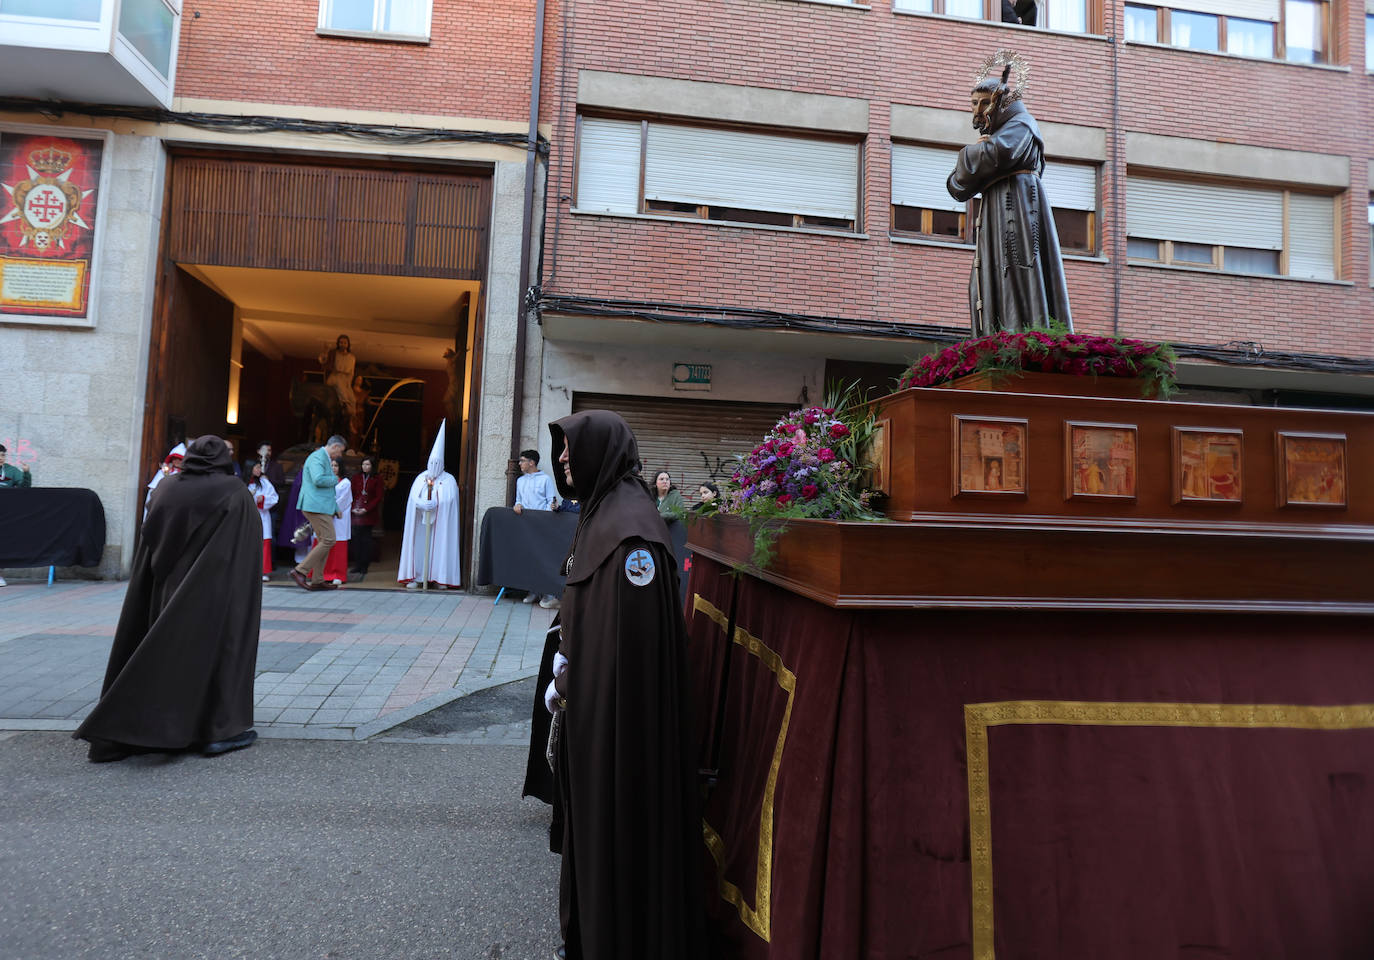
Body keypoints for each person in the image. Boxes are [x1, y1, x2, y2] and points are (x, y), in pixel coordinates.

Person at [538, 410, 704, 960]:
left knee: (619, 836)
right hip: (594, 714)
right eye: (560, 450)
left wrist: (575, 680)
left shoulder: (631, 532)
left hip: (619, 730)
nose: (563, 459)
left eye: (569, 449)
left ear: (602, 452)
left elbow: (630, 651)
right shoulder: (603, 512)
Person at [74, 435, 262, 762]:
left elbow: (152, 540)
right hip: (216, 594)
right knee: (218, 655)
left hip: (166, 589)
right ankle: (216, 731)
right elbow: (243, 553)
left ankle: (154, 725)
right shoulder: (234, 493)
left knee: (168, 652)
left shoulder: (166, 488)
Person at [946, 53, 1073, 336]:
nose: (978, 110)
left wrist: (971, 153)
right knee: (990, 276)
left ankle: (1023, 335)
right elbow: (957, 186)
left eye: (984, 103)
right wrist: (977, 157)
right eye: (973, 104)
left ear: (1002, 102)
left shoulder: (1023, 123)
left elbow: (998, 153)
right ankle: (996, 337)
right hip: (996, 210)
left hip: (1017, 205)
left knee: (1016, 268)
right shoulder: (998, 134)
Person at [398, 420, 461, 590]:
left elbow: (451, 499)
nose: (433, 467)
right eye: (431, 463)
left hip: (441, 524)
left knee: (440, 547)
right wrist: (421, 503)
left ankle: (440, 577)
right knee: (419, 548)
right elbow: (413, 498)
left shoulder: (449, 480)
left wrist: (436, 502)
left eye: (437, 463)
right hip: (421, 523)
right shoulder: (421, 478)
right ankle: (417, 576)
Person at [290, 435, 346, 592]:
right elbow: (318, 480)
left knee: (324, 540)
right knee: (329, 539)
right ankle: (300, 570)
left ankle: (318, 580)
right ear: (334, 446)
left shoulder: (322, 457)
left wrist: (335, 508)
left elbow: (326, 489)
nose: (339, 455)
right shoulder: (317, 457)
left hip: (320, 505)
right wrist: (335, 479)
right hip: (315, 505)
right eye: (340, 451)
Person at [514, 448, 560, 609]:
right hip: (525, 525)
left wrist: (545, 517)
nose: (520, 463)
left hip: (541, 525)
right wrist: (517, 505)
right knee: (528, 557)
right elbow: (518, 500)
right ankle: (532, 591)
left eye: (522, 460)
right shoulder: (520, 481)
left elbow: (550, 501)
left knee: (542, 557)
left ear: (531, 462)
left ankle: (547, 593)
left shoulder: (545, 479)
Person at [348, 455, 385, 579]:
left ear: (372, 466)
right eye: (363, 464)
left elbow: (378, 497)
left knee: (366, 540)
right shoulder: (356, 477)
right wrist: (353, 507)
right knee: (356, 540)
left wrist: (366, 509)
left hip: (369, 513)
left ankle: (365, 566)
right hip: (356, 512)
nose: (365, 467)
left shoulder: (377, 479)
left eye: (368, 464)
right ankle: (357, 564)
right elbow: (351, 493)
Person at [245, 461, 279, 582]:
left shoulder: (265, 483)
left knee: (264, 543)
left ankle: (263, 571)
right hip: (248, 517)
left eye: (260, 467)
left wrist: (262, 499)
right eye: (257, 467)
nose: (260, 470)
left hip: (263, 516)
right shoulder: (242, 483)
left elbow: (274, 497)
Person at [319, 334, 357, 429]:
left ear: (348, 344)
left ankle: (351, 419)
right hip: (335, 377)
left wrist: (349, 383)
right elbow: (322, 360)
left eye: (345, 342)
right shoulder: (333, 353)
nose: (343, 344)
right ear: (338, 343)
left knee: (352, 399)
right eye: (341, 342)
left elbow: (351, 372)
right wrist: (325, 351)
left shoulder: (352, 357)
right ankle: (343, 405)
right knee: (342, 391)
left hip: (346, 380)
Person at [143, 442, 185, 520]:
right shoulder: (163, 472)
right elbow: (153, 491)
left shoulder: (186, 474)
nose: (177, 461)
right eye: (175, 458)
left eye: (180, 459)